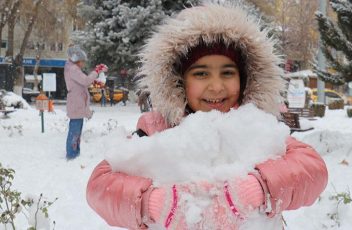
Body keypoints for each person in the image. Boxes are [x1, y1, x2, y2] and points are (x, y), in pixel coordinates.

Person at [86, 3, 328, 229]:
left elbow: (312, 170)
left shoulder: (256, 126)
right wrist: (152, 202)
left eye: (227, 73)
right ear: (178, 81)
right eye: (201, 74)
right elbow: (99, 187)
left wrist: (257, 188)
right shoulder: (155, 130)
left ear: (245, 80)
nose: (216, 87)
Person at [64, 45, 108, 160]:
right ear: (76, 59)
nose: (83, 64)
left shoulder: (72, 68)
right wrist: (96, 71)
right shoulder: (73, 69)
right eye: (82, 61)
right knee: (75, 131)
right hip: (76, 104)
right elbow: (85, 81)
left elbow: (82, 82)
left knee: (76, 131)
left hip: (77, 103)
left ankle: (74, 152)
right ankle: (72, 154)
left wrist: (94, 80)